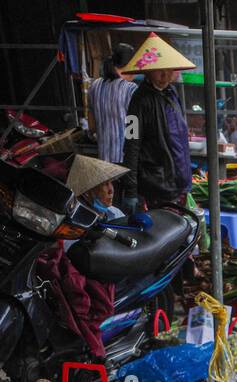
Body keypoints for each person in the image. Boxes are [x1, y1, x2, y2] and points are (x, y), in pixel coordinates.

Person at [39, 155, 127, 359]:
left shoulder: (114, 214)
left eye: (111, 183)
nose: (110, 189)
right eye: (103, 185)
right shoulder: (73, 220)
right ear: (87, 192)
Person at [120, 32, 195, 213]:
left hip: (179, 181)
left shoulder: (171, 94)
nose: (165, 74)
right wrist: (131, 189)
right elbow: (131, 145)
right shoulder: (138, 100)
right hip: (156, 185)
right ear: (148, 71)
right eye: (160, 69)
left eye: (169, 69)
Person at [87, 43, 135, 165]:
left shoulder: (95, 85)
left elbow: (92, 126)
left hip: (103, 157)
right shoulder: (130, 88)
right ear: (130, 65)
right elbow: (133, 129)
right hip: (124, 157)